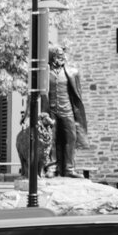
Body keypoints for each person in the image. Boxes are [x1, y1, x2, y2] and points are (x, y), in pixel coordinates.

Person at [45, 47, 89, 178]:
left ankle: (69, 169)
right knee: (51, 139)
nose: (61, 57)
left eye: (62, 55)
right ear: (52, 56)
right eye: (58, 55)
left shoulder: (73, 73)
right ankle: (52, 168)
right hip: (51, 111)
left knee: (71, 138)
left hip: (67, 110)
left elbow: (77, 94)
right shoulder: (45, 73)